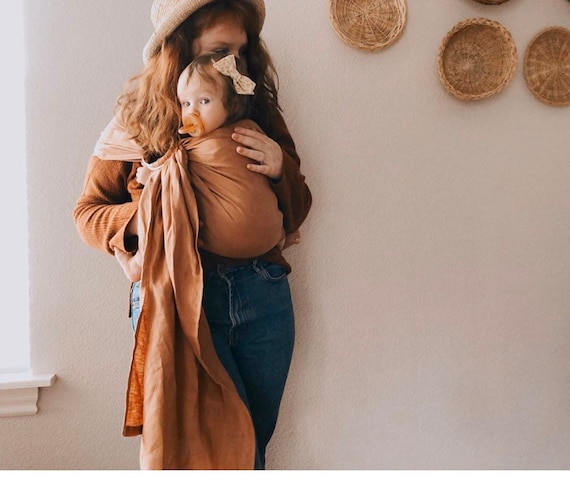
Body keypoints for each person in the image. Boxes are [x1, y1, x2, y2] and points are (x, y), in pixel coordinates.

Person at [73, 0, 311, 471]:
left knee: (251, 447)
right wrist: (153, 214)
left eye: (241, 51)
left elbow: (297, 208)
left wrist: (281, 168)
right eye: (221, 50)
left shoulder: (252, 106)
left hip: (262, 294)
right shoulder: (138, 118)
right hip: (179, 299)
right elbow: (88, 214)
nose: (234, 64)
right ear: (181, 46)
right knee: (208, 455)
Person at [115, 53, 298, 283]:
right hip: (266, 242)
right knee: (165, 205)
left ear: (232, 103)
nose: (192, 112)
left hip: (256, 257)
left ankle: (137, 264)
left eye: (204, 101)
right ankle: (138, 264)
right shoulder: (250, 129)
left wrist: (151, 175)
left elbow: (173, 170)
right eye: (185, 103)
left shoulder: (223, 140)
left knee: (161, 196)